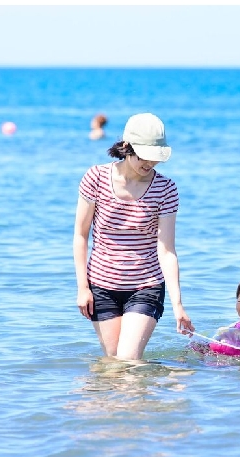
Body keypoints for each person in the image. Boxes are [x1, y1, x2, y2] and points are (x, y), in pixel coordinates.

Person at [74, 112, 194, 360]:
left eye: (155, 158)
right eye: (144, 157)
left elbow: (167, 250)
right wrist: (83, 287)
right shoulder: (95, 178)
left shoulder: (165, 189)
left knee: (127, 360)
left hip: (145, 286)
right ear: (126, 147)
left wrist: (178, 304)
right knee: (113, 362)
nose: (149, 164)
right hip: (101, 286)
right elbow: (80, 235)